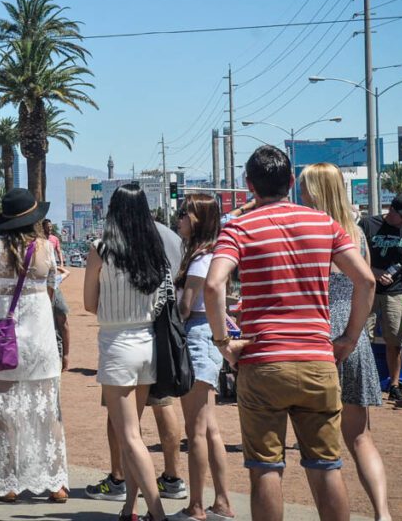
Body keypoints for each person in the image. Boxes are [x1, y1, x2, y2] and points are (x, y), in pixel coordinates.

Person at [204, 146, 376, 521]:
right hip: (317, 359)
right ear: (290, 183)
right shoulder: (323, 223)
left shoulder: (238, 227)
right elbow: (365, 280)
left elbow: (215, 285)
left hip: (263, 361)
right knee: (325, 464)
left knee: (265, 466)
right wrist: (348, 337)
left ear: (249, 185)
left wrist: (224, 344)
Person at [0, 188, 69, 503]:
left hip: (4, 340)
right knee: (49, 411)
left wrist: (0, 304)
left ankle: (9, 482)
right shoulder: (46, 248)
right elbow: (50, 295)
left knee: (5, 411)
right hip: (42, 338)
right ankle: (55, 483)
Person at [300, 164, 391, 521]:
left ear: (316, 191)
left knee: (318, 442)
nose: (301, 194)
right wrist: (355, 333)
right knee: (360, 437)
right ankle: (382, 513)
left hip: (320, 334)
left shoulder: (310, 230)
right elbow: (364, 283)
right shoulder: (356, 233)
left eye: (306, 187)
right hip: (353, 335)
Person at [84, 184, 171, 520]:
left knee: (129, 436)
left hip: (117, 345)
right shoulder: (154, 248)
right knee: (133, 433)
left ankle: (157, 511)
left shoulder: (101, 249)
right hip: (148, 343)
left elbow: (90, 303)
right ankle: (130, 506)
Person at [169, 193, 234, 521]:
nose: (179, 219)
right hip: (206, 336)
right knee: (209, 429)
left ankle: (196, 507)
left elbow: (184, 308)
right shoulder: (210, 255)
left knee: (195, 429)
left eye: (185, 214)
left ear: (200, 219)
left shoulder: (199, 259)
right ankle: (221, 501)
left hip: (196, 336)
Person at [360, 194, 402, 401]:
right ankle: (364, 381)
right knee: (361, 337)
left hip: (396, 291)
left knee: (395, 340)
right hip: (368, 288)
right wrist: (375, 271)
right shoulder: (368, 224)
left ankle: (395, 384)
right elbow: (354, 256)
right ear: (392, 211)